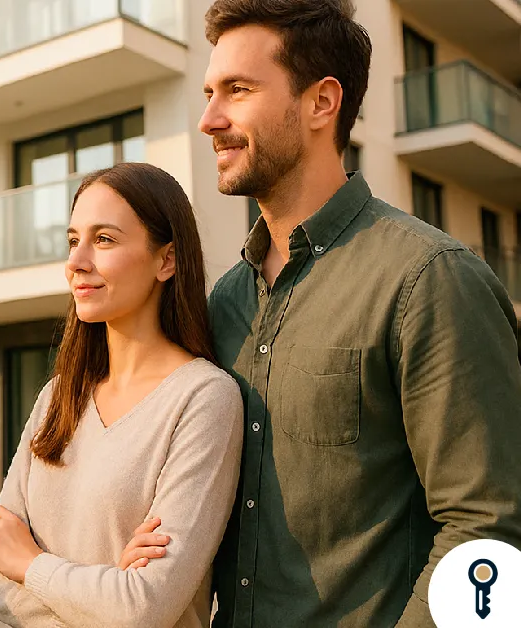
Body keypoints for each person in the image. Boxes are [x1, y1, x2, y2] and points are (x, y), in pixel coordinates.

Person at [196, 1, 521, 626]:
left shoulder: (430, 280)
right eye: (210, 92)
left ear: (322, 102)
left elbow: (490, 533)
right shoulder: (223, 304)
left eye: (237, 90)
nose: (210, 119)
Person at [0, 162, 244, 627]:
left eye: (105, 240)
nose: (77, 262)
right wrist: (104, 594)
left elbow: (144, 607)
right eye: (74, 240)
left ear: (167, 260)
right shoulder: (58, 397)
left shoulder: (204, 399)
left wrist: (31, 563)